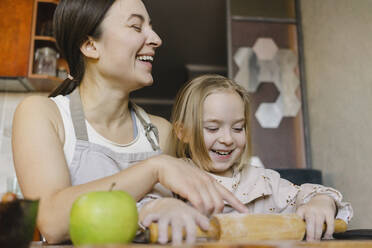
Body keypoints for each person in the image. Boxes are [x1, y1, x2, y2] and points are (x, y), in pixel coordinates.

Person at [11, 0, 248, 245]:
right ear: (90, 45)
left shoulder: (161, 133)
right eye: (136, 27)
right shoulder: (43, 114)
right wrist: (154, 169)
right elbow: (52, 222)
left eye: (151, 27)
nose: (156, 39)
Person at [167, 74, 353, 241]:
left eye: (238, 128)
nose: (227, 139)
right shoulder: (173, 176)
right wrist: (165, 209)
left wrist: (321, 202)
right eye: (213, 128)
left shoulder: (264, 181)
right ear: (183, 132)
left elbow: (310, 195)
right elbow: (146, 208)